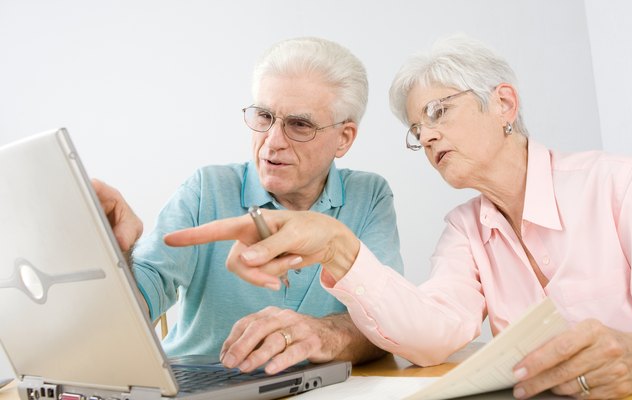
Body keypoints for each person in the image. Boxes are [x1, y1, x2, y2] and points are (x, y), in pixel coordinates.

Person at [164, 34, 632, 400]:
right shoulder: (465, 227)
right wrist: (341, 250)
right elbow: (432, 336)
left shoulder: (620, 183)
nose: (427, 133)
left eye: (437, 111)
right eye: (417, 129)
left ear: (504, 104)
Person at [93, 36, 403, 375]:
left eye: (299, 125)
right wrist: (115, 252)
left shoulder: (369, 195)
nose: (272, 141)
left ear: (344, 138)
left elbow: (387, 318)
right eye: (264, 116)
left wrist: (320, 334)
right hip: (198, 383)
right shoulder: (207, 188)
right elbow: (129, 314)